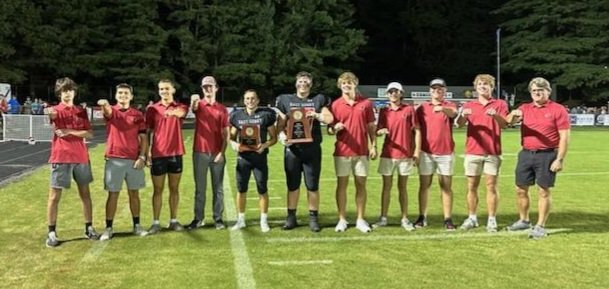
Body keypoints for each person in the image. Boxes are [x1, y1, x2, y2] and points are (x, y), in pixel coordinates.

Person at [505, 77, 570, 239]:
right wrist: (513, 114)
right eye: (534, 90)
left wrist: (559, 159)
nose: (537, 93)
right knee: (520, 189)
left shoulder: (558, 109)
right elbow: (508, 123)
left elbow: (564, 137)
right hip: (526, 153)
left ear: (548, 91)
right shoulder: (525, 108)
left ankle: (540, 225)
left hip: (547, 154)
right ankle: (524, 220)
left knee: (543, 191)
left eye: (541, 90)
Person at [275, 71, 333, 232]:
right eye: (300, 81)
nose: (303, 84)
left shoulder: (318, 100)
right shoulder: (286, 100)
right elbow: (280, 124)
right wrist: (281, 136)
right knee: (292, 185)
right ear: (296, 83)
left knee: (312, 185)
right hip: (292, 149)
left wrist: (317, 114)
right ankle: (291, 217)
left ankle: (313, 217)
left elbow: (329, 119)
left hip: (312, 148)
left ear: (311, 84)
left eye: (306, 82)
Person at [44, 77, 98, 247]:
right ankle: (51, 232)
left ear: (74, 92)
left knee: (85, 194)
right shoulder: (55, 110)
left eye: (69, 90)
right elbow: (50, 115)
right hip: (61, 157)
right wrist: (49, 114)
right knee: (54, 196)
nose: (67, 94)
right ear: (59, 93)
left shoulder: (81, 111)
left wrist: (70, 131)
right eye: (63, 91)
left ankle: (89, 228)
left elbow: (89, 134)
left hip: (81, 157)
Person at [456, 74, 508, 232]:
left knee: (491, 186)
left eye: (486, 84)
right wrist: (463, 116)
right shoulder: (469, 105)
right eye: (480, 84)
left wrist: (496, 116)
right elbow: (458, 125)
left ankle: (492, 219)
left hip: (492, 151)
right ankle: (472, 217)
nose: (483, 87)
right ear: (475, 87)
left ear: (492, 87)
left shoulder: (499, 104)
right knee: (471, 186)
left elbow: (505, 124)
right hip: (473, 151)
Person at [97, 83, 149, 241]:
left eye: (126, 93)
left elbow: (143, 138)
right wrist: (104, 104)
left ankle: (137, 225)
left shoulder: (138, 115)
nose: (123, 95)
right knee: (113, 194)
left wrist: (142, 157)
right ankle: (109, 227)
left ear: (131, 96)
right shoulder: (112, 111)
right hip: (114, 159)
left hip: (133, 160)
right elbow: (107, 111)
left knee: (134, 193)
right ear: (116, 95)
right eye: (120, 93)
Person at [329, 72, 377, 233]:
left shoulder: (366, 103)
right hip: (342, 151)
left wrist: (374, 146)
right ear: (340, 85)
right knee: (342, 185)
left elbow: (371, 127)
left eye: (349, 83)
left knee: (361, 185)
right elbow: (330, 128)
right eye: (343, 83)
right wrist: (333, 128)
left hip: (362, 152)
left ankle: (360, 219)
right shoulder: (335, 104)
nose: (346, 85)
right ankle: (342, 219)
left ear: (355, 84)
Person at [372, 82, 421, 231]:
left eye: (396, 91)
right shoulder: (384, 111)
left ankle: (404, 218)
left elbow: (417, 130)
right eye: (391, 91)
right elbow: (377, 130)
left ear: (401, 93)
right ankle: (383, 218)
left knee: (403, 188)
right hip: (388, 154)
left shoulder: (409, 109)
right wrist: (380, 132)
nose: (393, 93)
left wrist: (417, 151)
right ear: (387, 94)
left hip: (405, 154)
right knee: (386, 187)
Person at [229, 89, 277, 232]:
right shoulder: (237, 116)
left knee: (262, 188)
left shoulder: (266, 116)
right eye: (247, 99)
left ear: (257, 100)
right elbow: (231, 137)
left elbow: (273, 138)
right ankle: (241, 220)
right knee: (241, 189)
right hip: (243, 157)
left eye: (253, 98)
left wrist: (265, 145)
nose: (250, 101)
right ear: (244, 101)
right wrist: (234, 144)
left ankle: (263, 220)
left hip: (259, 157)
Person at [413, 78, 458, 231]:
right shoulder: (422, 107)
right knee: (424, 185)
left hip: (446, 152)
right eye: (434, 88)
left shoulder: (449, 105)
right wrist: (416, 151)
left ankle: (447, 218)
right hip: (426, 152)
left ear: (445, 90)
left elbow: (453, 113)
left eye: (440, 88)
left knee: (446, 186)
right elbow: (416, 129)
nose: (437, 91)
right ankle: (422, 216)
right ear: (430, 90)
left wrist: (442, 109)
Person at [186, 76, 229, 230]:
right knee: (200, 188)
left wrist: (222, 152)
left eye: (210, 86)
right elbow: (194, 107)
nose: (208, 89)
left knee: (218, 188)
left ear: (216, 88)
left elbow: (226, 134)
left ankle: (218, 218)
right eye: (205, 87)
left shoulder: (222, 109)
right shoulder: (200, 105)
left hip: (217, 152)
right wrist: (193, 100)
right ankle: (198, 218)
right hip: (200, 152)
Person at [145, 79, 188, 234]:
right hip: (158, 154)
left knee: (174, 189)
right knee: (158, 189)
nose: (164, 91)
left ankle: (173, 220)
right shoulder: (152, 109)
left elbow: (181, 113)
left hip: (175, 153)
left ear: (173, 90)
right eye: (161, 89)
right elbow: (148, 131)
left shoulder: (181, 106)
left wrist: (172, 112)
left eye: (167, 89)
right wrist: (147, 152)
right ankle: (156, 222)